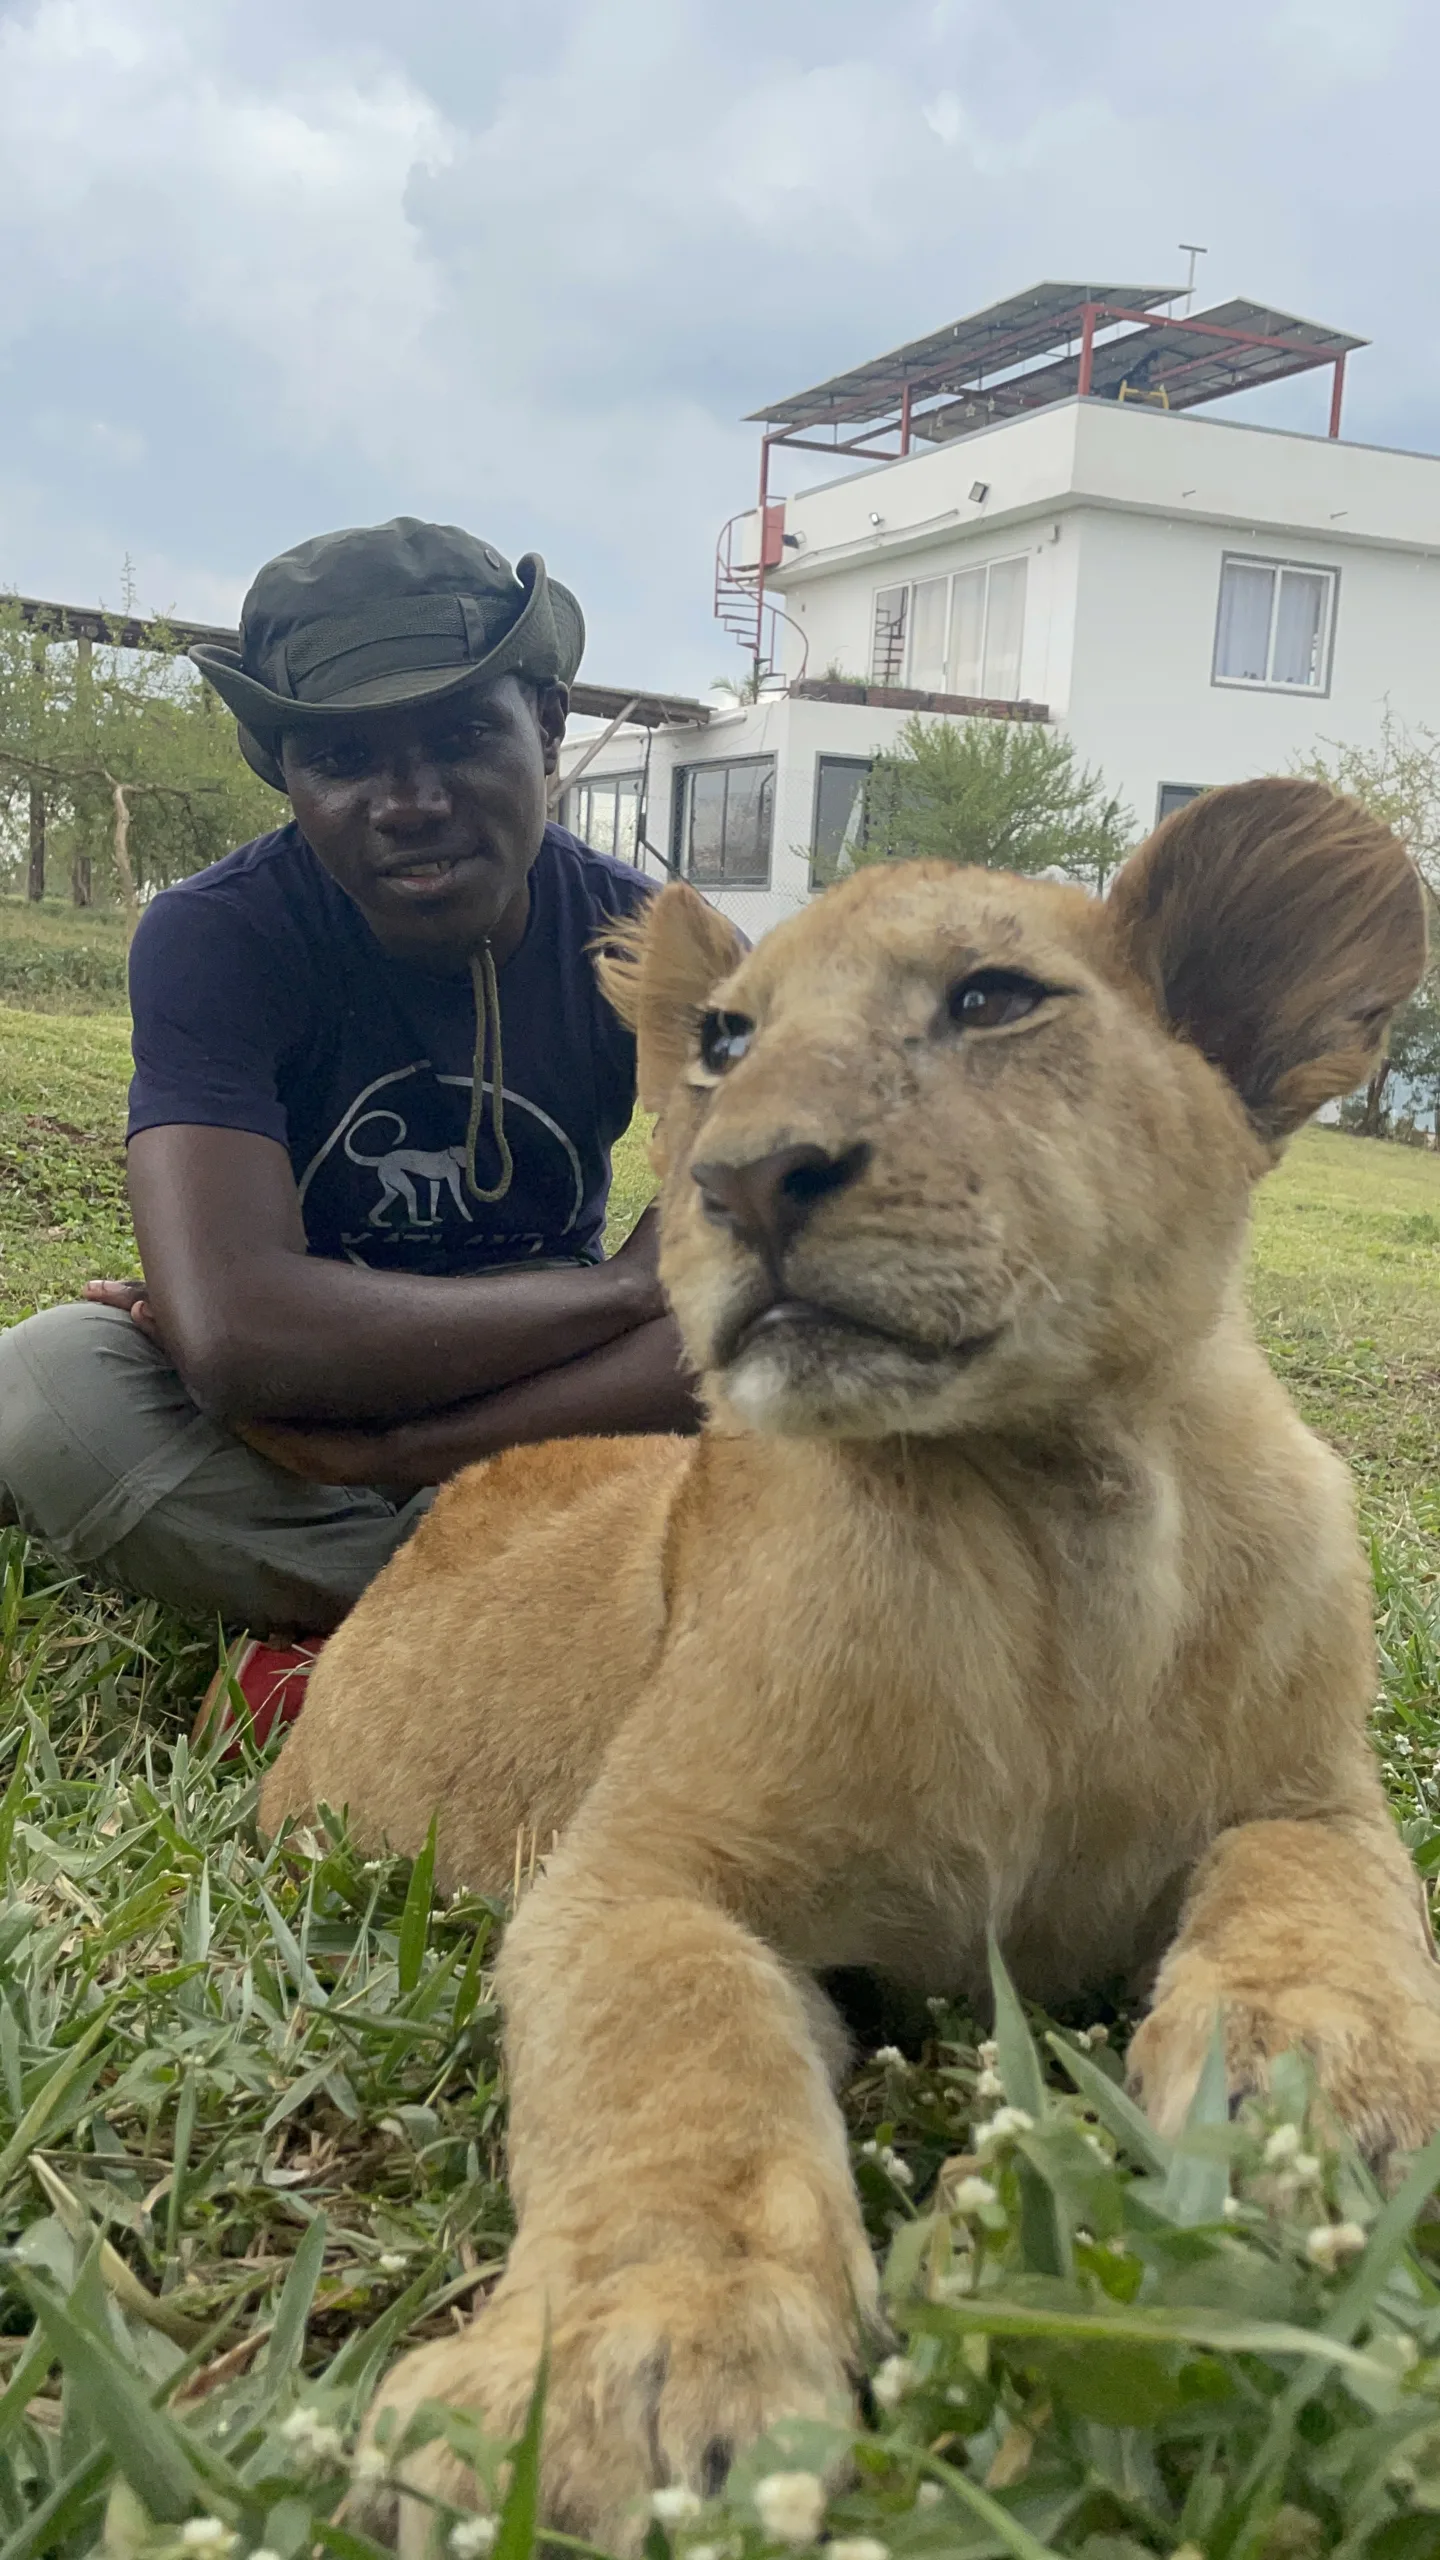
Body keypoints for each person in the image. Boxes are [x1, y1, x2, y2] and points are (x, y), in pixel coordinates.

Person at [0, 519, 698, 1713]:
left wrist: (397, 1458)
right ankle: (536, 1627)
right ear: (285, 773)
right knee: (51, 1382)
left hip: (541, 1406)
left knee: (795, 1382)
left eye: (463, 734)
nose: (412, 800)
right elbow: (235, 1337)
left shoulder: (650, 943)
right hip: (321, 1392)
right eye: (346, 756)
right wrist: (628, 1287)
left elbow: (745, 1299)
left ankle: (361, 1640)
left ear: (547, 722)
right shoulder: (221, 934)